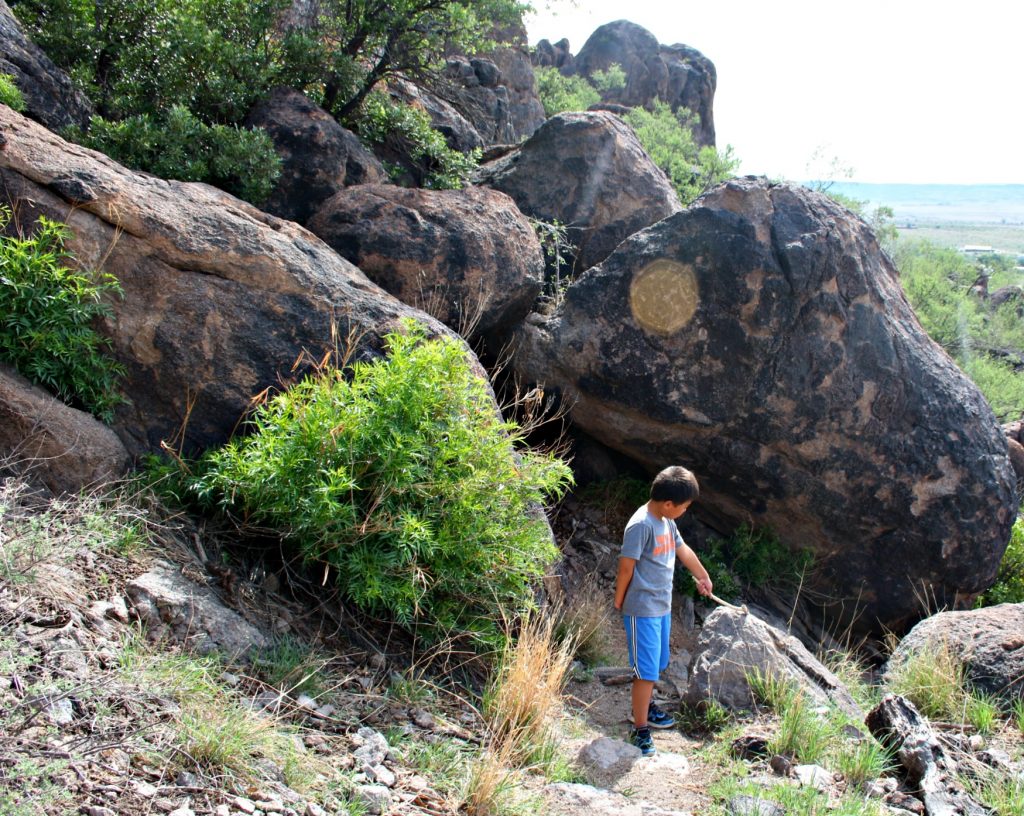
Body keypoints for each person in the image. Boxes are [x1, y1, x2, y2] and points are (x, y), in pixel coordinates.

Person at [613, 465, 712, 757]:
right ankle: (640, 729)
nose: (685, 511)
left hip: (661, 607)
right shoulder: (641, 524)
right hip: (642, 608)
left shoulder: (667, 522)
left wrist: (702, 576)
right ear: (669, 504)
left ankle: (645, 707)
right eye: (684, 506)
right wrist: (620, 600)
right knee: (644, 670)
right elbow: (626, 566)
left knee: (657, 663)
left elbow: (683, 551)